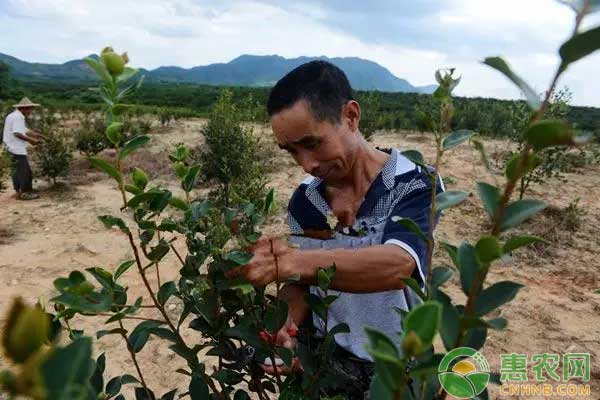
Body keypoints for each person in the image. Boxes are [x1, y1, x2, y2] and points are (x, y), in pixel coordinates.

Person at [227, 61, 443, 398]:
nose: (307, 164)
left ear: (351, 117)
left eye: (312, 143)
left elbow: (400, 264)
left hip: (402, 368)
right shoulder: (306, 200)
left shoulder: (416, 183)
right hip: (328, 362)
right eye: (292, 151)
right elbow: (302, 286)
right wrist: (287, 320)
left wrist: (288, 263)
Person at [2, 97, 43, 200]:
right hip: (16, 148)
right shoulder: (19, 117)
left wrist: (37, 135)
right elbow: (17, 133)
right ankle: (25, 193)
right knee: (25, 171)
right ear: (23, 108)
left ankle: (18, 191)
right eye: (29, 109)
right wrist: (31, 141)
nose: (31, 111)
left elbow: (23, 130)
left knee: (16, 171)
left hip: (9, 148)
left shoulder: (13, 115)